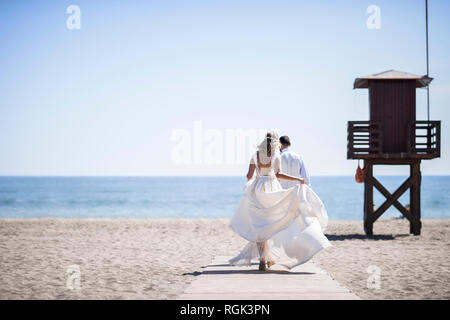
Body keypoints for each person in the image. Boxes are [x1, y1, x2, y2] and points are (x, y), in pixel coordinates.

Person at [229, 130, 331, 271]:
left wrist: (258, 177)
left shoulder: (255, 155)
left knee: (260, 226)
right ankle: (268, 257)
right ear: (275, 143)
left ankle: (263, 259)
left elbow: (248, 176)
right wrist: (298, 179)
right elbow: (278, 175)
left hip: (258, 189)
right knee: (272, 224)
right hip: (272, 188)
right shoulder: (276, 156)